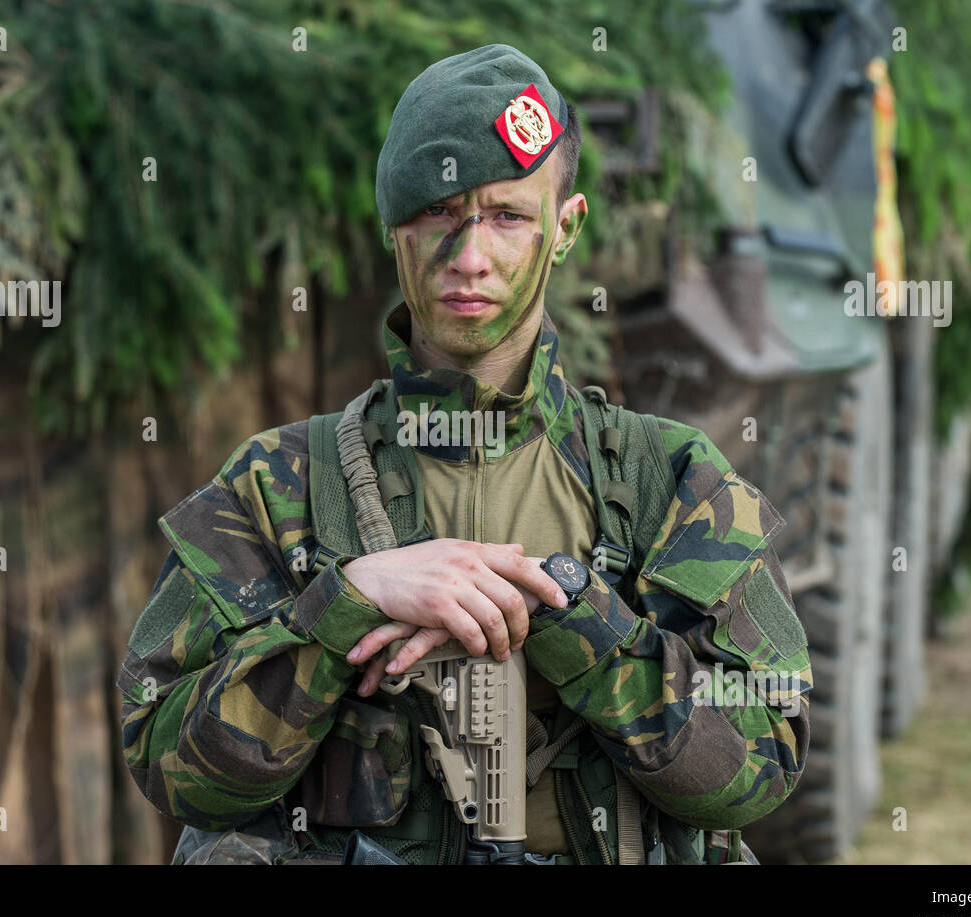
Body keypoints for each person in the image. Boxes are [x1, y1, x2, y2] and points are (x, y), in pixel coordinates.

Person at [117, 43, 811, 865]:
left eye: (508, 215)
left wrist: (578, 620)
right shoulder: (278, 486)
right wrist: (340, 609)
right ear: (393, 230)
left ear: (566, 227)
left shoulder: (670, 482)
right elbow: (167, 760)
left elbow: (764, 760)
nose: (470, 257)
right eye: (438, 213)